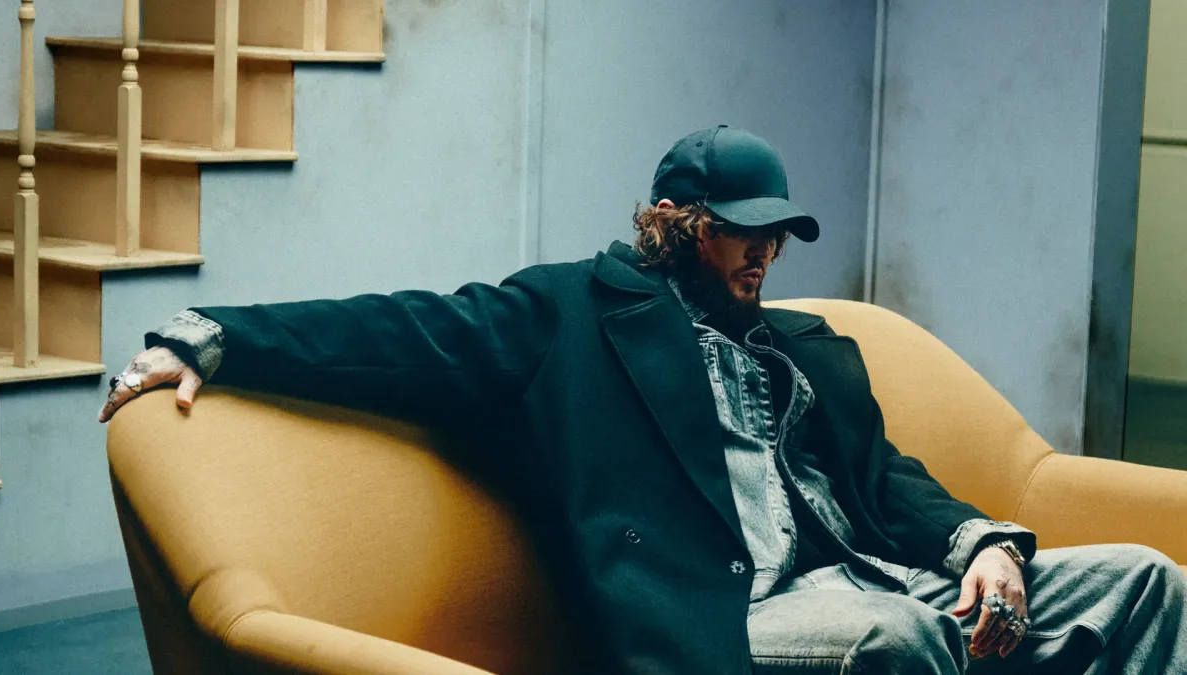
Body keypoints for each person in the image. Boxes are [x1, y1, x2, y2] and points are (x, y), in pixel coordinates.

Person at [100, 125, 1186, 674]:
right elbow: (399, 330)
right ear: (673, 224)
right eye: (739, 232)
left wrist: (983, 545)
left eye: (775, 233)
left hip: (873, 575)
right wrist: (214, 337)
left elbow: (885, 480)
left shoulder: (800, 349)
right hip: (732, 615)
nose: (763, 253)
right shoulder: (570, 318)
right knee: (897, 639)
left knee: (1145, 580)